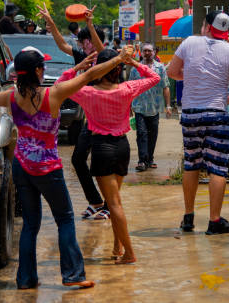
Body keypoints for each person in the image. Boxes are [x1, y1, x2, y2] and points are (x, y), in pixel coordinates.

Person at [0, 46, 132, 289]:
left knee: (30, 226)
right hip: (47, 169)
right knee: (65, 219)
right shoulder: (52, 95)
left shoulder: (11, 96)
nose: (45, 69)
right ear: (37, 71)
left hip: (22, 168)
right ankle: (73, 276)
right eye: (43, 66)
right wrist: (119, 58)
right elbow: (89, 77)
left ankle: (25, 279)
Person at [57, 48, 161, 264]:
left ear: (98, 70)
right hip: (122, 147)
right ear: (118, 70)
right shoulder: (127, 88)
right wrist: (133, 62)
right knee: (116, 202)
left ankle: (130, 253)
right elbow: (155, 77)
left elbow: (60, 86)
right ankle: (117, 246)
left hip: (102, 148)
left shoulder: (87, 92)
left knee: (113, 204)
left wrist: (77, 69)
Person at [167, 11, 229, 235]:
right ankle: (214, 221)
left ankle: (188, 217)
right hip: (216, 113)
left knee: (191, 163)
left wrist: (192, 76)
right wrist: (227, 100)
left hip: (191, 114)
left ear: (206, 26)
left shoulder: (190, 42)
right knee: (218, 168)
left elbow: (172, 72)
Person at [42, 3, 109, 219]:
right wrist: (51, 23)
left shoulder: (107, 58)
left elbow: (101, 50)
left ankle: (109, 205)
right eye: (83, 41)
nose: (83, 44)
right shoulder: (82, 57)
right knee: (78, 159)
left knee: (102, 161)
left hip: (107, 117)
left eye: (86, 40)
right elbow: (62, 45)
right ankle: (95, 201)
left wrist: (89, 23)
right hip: (90, 117)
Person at [129, 42, 171, 171]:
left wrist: (168, 106)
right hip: (139, 106)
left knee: (153, 134)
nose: (147, 53)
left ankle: (150, 158)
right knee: (141, 133)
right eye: (145, 51)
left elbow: (166, 87)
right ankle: (142, 160)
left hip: (155, 107)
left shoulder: (160, 68)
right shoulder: (135, 68)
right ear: (141, 52)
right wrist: (129, 105)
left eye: (149, 51)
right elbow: (130, 87)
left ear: (154, 52)